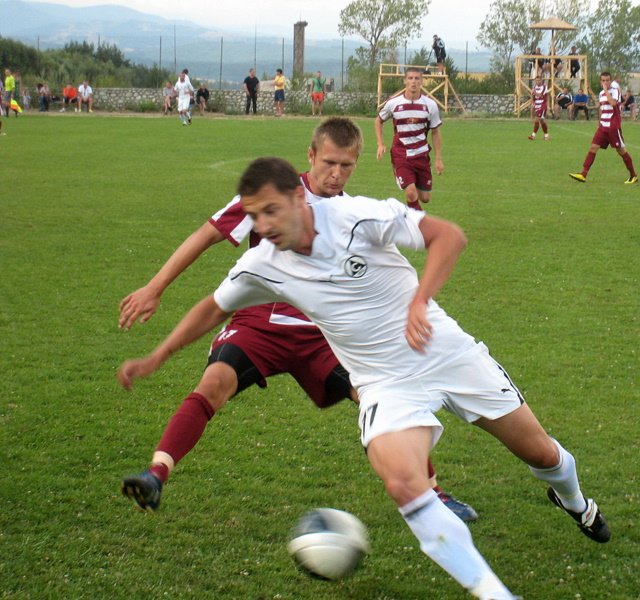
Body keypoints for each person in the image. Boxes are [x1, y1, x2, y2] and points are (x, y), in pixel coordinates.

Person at [120, 156, 611, 599]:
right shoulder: (261, 264)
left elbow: (448, 236)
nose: (262, 226)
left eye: (270, 211)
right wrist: (158, 355)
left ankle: (575, 502)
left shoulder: (356, 216)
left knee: (543, 453)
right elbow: (212, 308)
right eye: (253, 216)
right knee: (403, 481)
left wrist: (419, 301)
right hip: (384, 384)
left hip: (445, 352)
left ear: (298, 196)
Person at [118, 118, 477, 523]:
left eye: (346, 166)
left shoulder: (350, 211)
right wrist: (155, 287)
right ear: (310, 156)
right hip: (259, 323)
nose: (336, 174)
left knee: (381, 398)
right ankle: (155, 475)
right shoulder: (274, 195)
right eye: (328, 163)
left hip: (323, 334)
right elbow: (208, 234)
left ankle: (434, 493)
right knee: (215, 382)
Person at [375, 66, 444, 211]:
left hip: (421, 155)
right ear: (404, 81)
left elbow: (436, 132)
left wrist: (438, 158)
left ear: (422, 82)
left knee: (425, 198)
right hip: (401, 154)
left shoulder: (430, 105)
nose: (413, 81)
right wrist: (380, 144)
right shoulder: (394, 103)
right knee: (411, 193)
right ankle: (419, 225)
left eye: (417, 78)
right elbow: (378, 120)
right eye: (410, 78)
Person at [569, 71, 638, 185]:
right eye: (603, 80)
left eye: (607, 80)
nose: (605, 82)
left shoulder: (614, 91)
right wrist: (599, 122)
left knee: (621, 150)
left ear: (610, 81)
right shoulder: (601, 94)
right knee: (593, 147)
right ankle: (583, 174)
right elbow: (602, 108)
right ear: (600, 81)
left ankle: (633, 175)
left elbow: (612, 103)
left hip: (613, 126)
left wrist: (606, 90)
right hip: (603, 126)